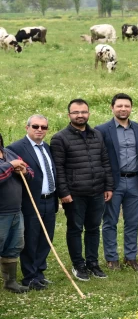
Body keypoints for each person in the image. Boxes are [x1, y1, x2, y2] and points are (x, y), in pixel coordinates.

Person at [51, 99, 114, 282]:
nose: (80, 115)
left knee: (94, 228)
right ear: (69, 115)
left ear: (89, 113)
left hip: (97, 191)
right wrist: (63, 192)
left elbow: (105, 161)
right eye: (76, 112)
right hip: (75, 193)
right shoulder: (60, 138)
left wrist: (108, 185)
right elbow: (59, 168)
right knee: (75, 229)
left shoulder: (97, 135)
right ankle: (78, 264)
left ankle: (92, 263)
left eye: (84, 112)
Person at [95, 93, 138, 272]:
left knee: (133, 222)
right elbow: (98, 159)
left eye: (127, 106)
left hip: (134, 182)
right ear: (112, 107)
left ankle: (130, 257)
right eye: (119, 106)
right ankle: (111, 258)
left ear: (131, 108)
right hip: (113, 183)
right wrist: (105, 184)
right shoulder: (101, 130)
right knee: (110, 221)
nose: (123, 109)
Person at [7, 115, 56, 290]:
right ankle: (30, 277)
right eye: (35, 126)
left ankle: (39, 272)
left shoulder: (47, 148)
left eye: (44, 127)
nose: (39, 130)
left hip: (49, 200)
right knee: (31, 238)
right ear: (27, 127)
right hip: (31, 201)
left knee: (46, 238)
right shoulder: (15, 148)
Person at [0, 132, 33, 293]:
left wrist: (25, 171)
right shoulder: (10, 160)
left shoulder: (9, 153)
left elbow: (30, 172)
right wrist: (11, 166)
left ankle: (10, 282)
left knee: (14, 246)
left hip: (16, 211)